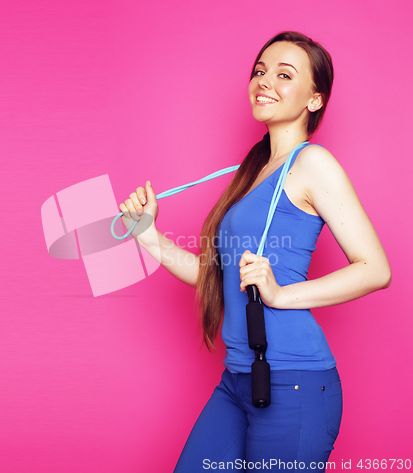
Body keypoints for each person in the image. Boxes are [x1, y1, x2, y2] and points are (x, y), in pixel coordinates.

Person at [119, 31, 391, 472]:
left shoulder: (311, 164)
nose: (264, 81)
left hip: (294, 383)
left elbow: (375, 269)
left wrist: (281, 295)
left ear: (314, 100)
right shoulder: (250, 171)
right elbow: (217, 277)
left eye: (285, 75)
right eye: (260, 71)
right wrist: (149, 237)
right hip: (238, 378)